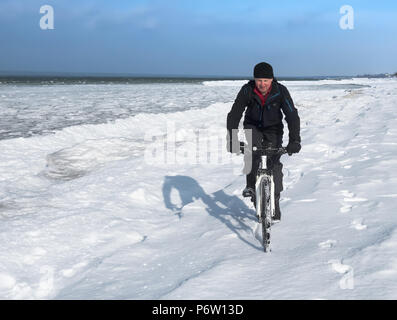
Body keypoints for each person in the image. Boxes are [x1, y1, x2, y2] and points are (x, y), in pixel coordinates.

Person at [226, 62, 301, 221]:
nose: (262, 84)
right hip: (252, 126)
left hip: (274, 130)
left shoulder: (280, 91)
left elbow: (292, 116)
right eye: (259, 80)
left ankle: (275, 199)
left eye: (266, 80)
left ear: (272, 79)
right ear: (254, 79)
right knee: (252, 153)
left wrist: (295, 140)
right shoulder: (247, 90)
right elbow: (234, 114)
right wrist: (232, 138)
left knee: (273, 162)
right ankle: (251, 187)